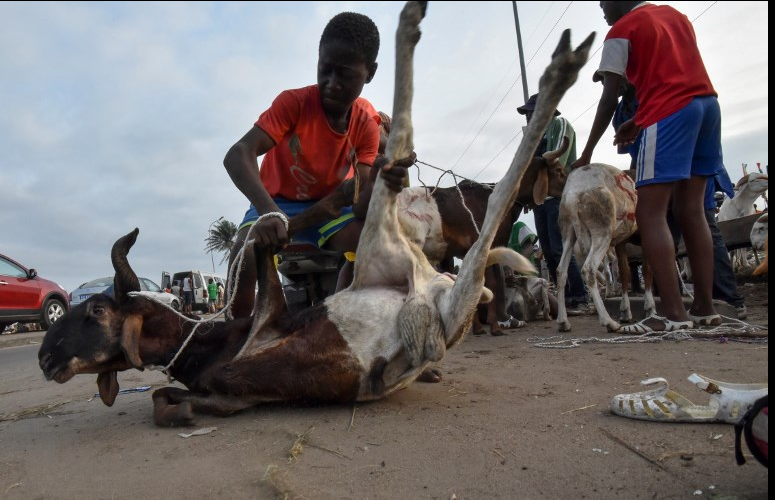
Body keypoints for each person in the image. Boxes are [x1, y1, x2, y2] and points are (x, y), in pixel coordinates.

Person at [222, 13, 437, 383]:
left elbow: (359, 207)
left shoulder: (365, 127)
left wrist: (387, 179)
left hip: (330, 210)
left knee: (377, 246)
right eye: (325, 69)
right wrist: (270, 212)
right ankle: (232, 346)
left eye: (345, 75)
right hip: (277, 203)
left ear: (369, 73)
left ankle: (385, 345)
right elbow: (237, 154)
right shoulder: (294, 104)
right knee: (245, 249)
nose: (331, 83)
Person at [570, 1, 721, 332]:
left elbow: (610, 98)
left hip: (667, 114)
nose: (602, 9)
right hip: (707, 106)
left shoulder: (621, 30)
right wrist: (637, 121)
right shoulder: (675, 17)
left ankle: (672, 316)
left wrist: (586, 153)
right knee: (692, 210)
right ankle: (704, 309)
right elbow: (677, 79)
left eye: (603, 3)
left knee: (650, 212)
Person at [517, 93, 589, 315]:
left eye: (531, 113)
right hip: (540, 200)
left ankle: (579, 298)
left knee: (561, 249)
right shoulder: (534, 136)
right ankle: (565, 299)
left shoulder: (559, 125)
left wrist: (532, 166)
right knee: (548, 252)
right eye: (528, 114)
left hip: (559, 196)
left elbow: (556, 160)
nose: (529, 117)